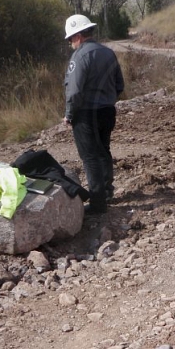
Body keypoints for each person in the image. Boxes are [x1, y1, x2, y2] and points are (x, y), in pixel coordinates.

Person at [62, 14, 124, 214]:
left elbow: (74, 91)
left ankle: (98, 203)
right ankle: (106, 192)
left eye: (71, 39)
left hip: (87, 115)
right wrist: (107, 100)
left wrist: (69, 114)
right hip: (107, 111)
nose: (70, 43)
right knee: (103, 150)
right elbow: (119, 85)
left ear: (78, 36)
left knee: (90, 157)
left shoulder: (79, 56)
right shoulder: (109, 53)